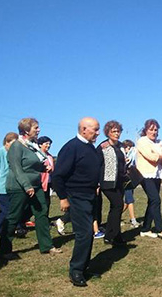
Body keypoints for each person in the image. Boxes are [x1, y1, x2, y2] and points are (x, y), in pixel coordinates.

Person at [0, 118, 61, 260]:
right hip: (19, 186)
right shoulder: (16, 146)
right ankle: (4, 250)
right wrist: (26, 186)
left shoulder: (31, 146)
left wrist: (44, 168)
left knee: (42, 213)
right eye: (35, 128)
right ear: (26, 130)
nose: (38, 130)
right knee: (14, 217)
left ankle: (47, 246)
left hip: (35, 185)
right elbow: (17, 168)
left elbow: (31, 164)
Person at [53, 117, 102, 287]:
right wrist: (63, 198)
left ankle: (83, 267)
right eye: (95, 130)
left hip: (90, 196)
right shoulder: (71, 147)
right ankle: (76, 271)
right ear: (83, 129)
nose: (97, 133)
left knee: (88, 233)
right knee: (84, 233)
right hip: (76, 196)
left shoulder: (91, 148)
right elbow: (58, 175)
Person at [136, 119, 162, 239]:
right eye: (151, 129)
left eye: (156, 130)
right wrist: (161, 156)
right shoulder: (142, 141)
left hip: (157, 174)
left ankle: (145, 228)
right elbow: (151, 157)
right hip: (145, 175)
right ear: (146, 130)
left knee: (152, 201)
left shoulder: (159, 142)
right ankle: (159, 228)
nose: (154, 132)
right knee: (156, 200)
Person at [97, 120, 128, 246]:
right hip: (107, 181)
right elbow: (96, 165)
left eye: (118, 131)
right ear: (108, 133)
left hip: (120, 181)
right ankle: (113, 236)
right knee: (118, 205)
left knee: (115, 208)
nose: (116, 133)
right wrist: (96, 183)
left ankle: (113, 235)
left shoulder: (121, 146)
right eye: (113, 131)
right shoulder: (103, 147)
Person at [122, 139, 140, 228]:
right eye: (126, 147)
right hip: (125, 180)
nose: (128, 149)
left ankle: (116, 216)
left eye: (129, 147)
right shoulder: (121, 155)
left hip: (131, 178)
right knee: (130, 200)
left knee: (127, 202)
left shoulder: (133, 154)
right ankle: (133, 220)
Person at [37, 136, 54, 211]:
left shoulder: (49, 156)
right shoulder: (38, 155)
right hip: (40, 181)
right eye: (46, 144)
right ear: (40, 144)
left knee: (47, 200)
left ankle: (46, 217)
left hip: (48, 181)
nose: (48, 145)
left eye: (49, 144)